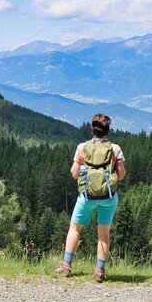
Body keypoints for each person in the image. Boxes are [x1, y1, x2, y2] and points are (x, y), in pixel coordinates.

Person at [55, 113, 126, 283]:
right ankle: (100, 271)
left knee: (75, 228)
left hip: (87, 196)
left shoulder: (82, 147)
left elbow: (73, 174)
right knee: (103, 233)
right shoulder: (115, 149)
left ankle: (66, 267)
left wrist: (80, 163)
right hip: (108, 196)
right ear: (108, 131)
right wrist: (115, 165)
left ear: (92, 129)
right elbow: (122, 175)